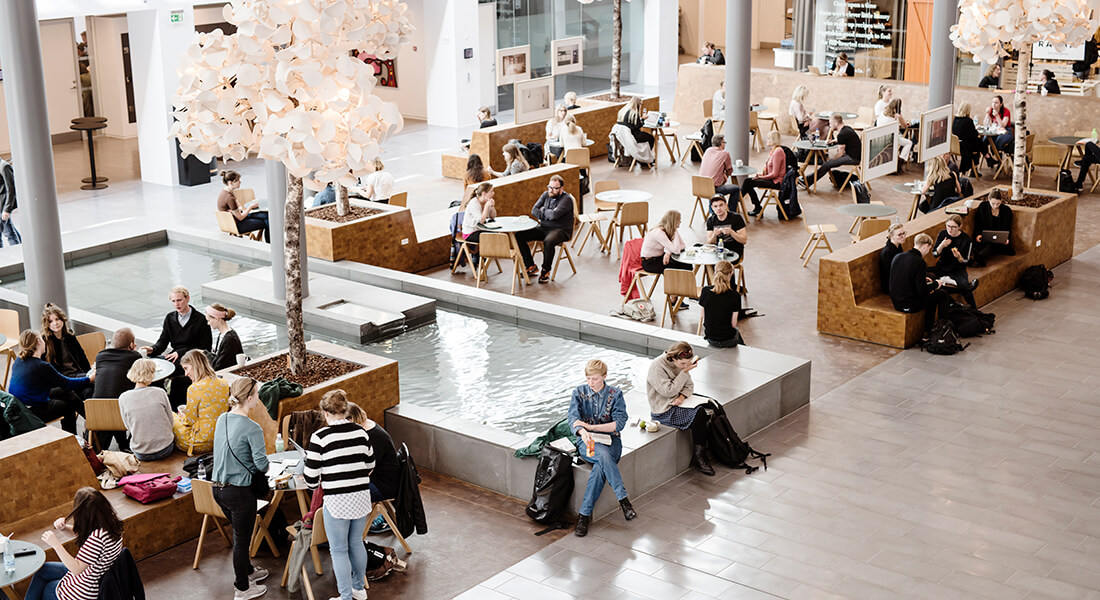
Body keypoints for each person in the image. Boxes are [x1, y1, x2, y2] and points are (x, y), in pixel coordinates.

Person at [304, 390, 375, 600]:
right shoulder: (361, 433)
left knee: (339, 550)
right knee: (356, 543)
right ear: (345, 410)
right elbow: (370, 465)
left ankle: (344, 597)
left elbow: (311, 479)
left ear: (325, 413)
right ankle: (359, 589)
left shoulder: (319, 438)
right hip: (361, 498)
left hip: (337, 502)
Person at [211, 377, 270, 600]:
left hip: (217, 490)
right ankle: (242, 588)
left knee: (239, 534)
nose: (258, 397)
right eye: (256, 393)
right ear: (249, 397)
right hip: (239, 492)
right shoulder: (252, 428)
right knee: (241, 540)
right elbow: (262, 465)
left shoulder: (222, 418)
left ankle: (249, 571)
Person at [567, 359, 633, 537]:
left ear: (604, 376)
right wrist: (581, 430)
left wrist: (590, 427)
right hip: (587, 443)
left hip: (611, 442)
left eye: (594, 379)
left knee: (600, 467)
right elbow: (572, 418)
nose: (590, 383)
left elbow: (618, 424)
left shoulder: (616, 394)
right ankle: (624, 500)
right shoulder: (578, 392)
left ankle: (584, 516)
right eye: (588, 378)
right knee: (603, 456)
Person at [24, 487, 124, 600]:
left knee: (47, 588)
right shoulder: (111, 523)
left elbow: (76, 569)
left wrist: (56, 544)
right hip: (94, 574)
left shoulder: (97, 538)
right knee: (43, 569)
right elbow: (84, 534)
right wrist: (64, 528)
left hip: (86, 590)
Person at [646, 342, 713, 475]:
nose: (685, 366)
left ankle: (702, 453)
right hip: (663, 410)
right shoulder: (657, 367)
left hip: (679, 403)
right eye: (682, 364)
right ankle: (698, 457)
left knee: (711, 407)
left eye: (687, 364)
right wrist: (684, 372)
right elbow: (668, 391)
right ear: (672, 358)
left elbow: (689, 387)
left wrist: (682, 397)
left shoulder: (681, 365)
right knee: (699, 414)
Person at [9, 330, 93, 434]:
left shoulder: (19, 360)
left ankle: (92, 420)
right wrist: (90, 379)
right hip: (31, 412)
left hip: (21, 406)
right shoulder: (42, 366)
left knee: (66, 393)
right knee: (68, 406)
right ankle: (80, 433)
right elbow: (67, 383)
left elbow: (63, 385)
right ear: (39, 342)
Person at [141, 286, 212, 407]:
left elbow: (206, 348)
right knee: (151, 371)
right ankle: (159, 405)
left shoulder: (201, 320)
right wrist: (152, 349)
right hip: (174, 357)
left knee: (173, 378)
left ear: (187, 298)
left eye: (179, 300)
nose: (176, 304)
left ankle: (173, 409)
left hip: (193, 360)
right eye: (173, 301)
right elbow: (163, 341)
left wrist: (180, 352)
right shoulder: (170, 318)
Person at [889, 233, 953, 338]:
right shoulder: (919, 262)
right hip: (908, 305)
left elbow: (905, 278)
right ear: (925, 246)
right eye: (928, 249)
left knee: (932, 297)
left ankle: (927, 332)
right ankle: (942, 330)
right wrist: (936, 284)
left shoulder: (898, 256)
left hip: (896, 301)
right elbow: (922, 291)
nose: (928, 252)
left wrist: (923, 280)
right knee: (942, 294)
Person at [515, 175, 575, 284]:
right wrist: (547, 212)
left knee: (549, 241)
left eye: (555, 188)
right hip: (544, 228)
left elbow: (554, 215)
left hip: (561, 230)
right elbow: (534, 210)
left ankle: (545, 270)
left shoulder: (566, 200)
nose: (551, 190)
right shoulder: (545, 194)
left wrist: (543, 211)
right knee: (519, 236)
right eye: (550, 187)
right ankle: (530, 266)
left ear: (561, 188)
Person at [172, 349, 230, 453]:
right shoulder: (223, 383)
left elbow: (189, 421)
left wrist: (182, 416)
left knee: (171, 415)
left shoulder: (194, 388)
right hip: (219, 439)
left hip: (199, 443)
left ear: (195, 365)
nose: (185, 374)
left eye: (186, 368)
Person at [118, 359, 175, 461]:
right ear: (151, 374)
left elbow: (128, 426)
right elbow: (170, 421)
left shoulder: (123, 397)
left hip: (141, 453)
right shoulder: (160, 392)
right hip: (166, 449)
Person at [931, 214, 980, 307]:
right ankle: (959, 298)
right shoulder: (943, 234)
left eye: (953, 227)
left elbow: (966, 260)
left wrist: (959, 257)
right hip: (941, 267)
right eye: (948, 226)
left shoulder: (966, 239)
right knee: (925, 273)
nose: (950, 229)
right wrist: (942, 245)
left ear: (960, 226)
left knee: (964, 284)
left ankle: (974, 309)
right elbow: (935, 254)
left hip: (958, 269)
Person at [802, 114, 860, 189]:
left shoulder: (842, 134)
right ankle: (807, 180)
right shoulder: (847, 129)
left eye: (830, 123)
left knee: (827, 164)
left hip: (853, 158)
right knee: (827, 163)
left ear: (836, 123)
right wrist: (834, 141)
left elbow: (840, 153)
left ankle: (806, 182)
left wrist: (832, 160)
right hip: (855, 155)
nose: (830, 125)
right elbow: (845, 140)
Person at [41, 304, 92, 380]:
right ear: (47, 324)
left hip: (76, 374)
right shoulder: (45, 340)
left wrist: (89, 373)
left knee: (91, 386)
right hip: (61, 379)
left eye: (57, 319)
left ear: (62, 319)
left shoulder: (69, 335)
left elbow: (81, 356)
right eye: (50, 321)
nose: (55, 323)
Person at [698, 261, 743, 347]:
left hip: (710, 338)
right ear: (731, 274)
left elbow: (702, 315)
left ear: (715, 272)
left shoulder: (705, 291)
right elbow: (733, 324)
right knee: (737, 334)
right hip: (728, 339)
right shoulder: (735, 296)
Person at [217, 170, 269, 243]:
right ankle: (270, 244)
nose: (240, 182)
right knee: (267, 221)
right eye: (237, 180)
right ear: (230, 182)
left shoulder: (225, 192)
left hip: (232, 220)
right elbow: (240, 217)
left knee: (266, 215)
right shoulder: (229, 198)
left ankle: (270, 243)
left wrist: (239, 208)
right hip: (237, 225)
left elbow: (240, 208)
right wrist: (250, 207)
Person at [742, 131, 786, 215]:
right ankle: (754, 206)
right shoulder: (773, 151)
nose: (766, 140)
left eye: (768, 138)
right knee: (749, 182)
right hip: (772, 179)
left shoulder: (778, 152)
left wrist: (761, 178)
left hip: (776, 182)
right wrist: (761, 176)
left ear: (774, 140)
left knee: (748, 182)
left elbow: (775, 174)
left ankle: (737, 200)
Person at [91, 328, 141, 400]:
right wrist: (134, 352)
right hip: (121, 406)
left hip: (97, 407)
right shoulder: (135, 357)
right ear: (131, 344)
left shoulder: (100, 356)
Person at [971, 188, 1015, 267]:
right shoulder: (983, 207)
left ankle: (979, 258)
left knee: (992, 246)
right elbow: (978, 224)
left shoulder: (1006, 210)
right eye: (993, 203)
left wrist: (1006, 239)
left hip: (1000, 241)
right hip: (985, 239)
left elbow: (1008, 228)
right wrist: (978, 235)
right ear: (989, 200)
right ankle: (979, 257)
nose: (995, 206)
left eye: (998, 204)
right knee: (988, 245)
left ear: (1001, 201)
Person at [640, 210, 690, 274]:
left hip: (658, 258)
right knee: (681, 266)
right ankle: (680, 283)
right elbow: (676, 250)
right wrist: (675, 231)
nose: (680, 222)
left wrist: (668, 252)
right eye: (679, 220)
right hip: (650, 263)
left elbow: (683, 245)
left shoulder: (666, 230)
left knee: (686, 263)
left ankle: (685, 283)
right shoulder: (659, 233)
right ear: (674, 221)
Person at [460, 182, 496, 267]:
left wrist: (492, 206)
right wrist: (487, 207)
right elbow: (480, 221)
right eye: (491, 191)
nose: (493, 193)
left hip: (480, 230)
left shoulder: (486, 202)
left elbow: (493, 216)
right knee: (490, 237)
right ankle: (480, 261)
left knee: (494, 235)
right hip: (470, 233)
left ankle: (480, 259)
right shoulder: (474, 203)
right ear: (484, 193)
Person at [700, 134, 738, 203]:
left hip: (700, 187)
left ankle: (713, 210)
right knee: (736, 189)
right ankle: (731, 212)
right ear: (721, 143)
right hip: (714, 189)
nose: (725, 144)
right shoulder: (725, 154)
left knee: (712, 187)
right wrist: (724, 175)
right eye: (724, 142)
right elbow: (729, 170)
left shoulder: (707, 150)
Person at [207, 303, 243, 371]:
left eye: (208, 320)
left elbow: (220, 366)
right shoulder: (222, 334)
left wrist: (207, 355)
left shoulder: (229, 339)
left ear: (216, 318)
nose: (208, 323)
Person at [877, 98, 913, 163]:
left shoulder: (883, 112)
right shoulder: (897, 115)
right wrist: (900, 113)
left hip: (880, 137)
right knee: (909, 143)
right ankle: (901, 160)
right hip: (890, 139)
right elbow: (905, 126)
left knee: (899, 136)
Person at [953, 102, 983, 175]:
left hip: (956, 146)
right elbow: (974, 134)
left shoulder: (955, 119)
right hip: (965, 147)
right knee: (978, 144)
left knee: (978, 143)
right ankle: (986, 157)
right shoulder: (968, 121)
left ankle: (987, 157)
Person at [0, 156, 22, 247]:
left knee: (7, 232)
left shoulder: (4, 166)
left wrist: (7, 209)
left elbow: (11, 189)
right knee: (8, 230)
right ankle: (20, 247)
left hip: (3, 205)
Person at [879, 223, 906, 293]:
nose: (903, 236)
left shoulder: (898, 246)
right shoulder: (887, 252)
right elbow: (891, 274)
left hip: (898, 280)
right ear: (891, 236)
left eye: (904, 233)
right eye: (900, 235)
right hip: (890, 286)